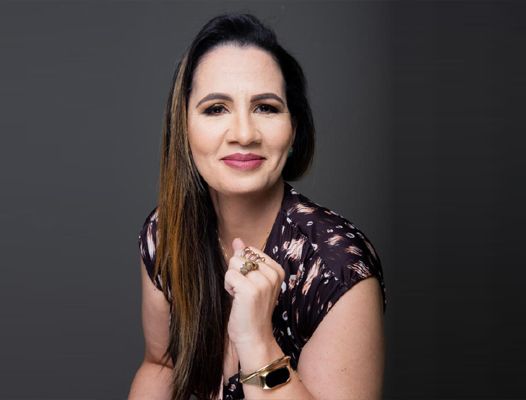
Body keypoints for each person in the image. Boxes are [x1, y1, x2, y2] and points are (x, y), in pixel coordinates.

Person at [128, 12, 387, 400]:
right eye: (216, 108)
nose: (244, 134)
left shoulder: (337, 270)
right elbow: (160, 365)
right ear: (183, 128)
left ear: (293, 130)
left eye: (266, 107)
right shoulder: (165, 234)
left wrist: (257, 342)